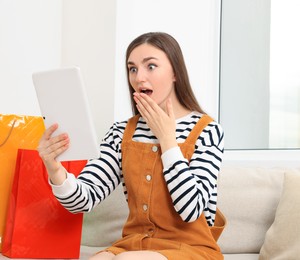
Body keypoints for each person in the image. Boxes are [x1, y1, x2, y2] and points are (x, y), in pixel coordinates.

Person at [37, 32, 225, 260]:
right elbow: (83, 200)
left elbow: (191, 209)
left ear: (175, 72)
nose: (138, 78)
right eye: (132, 69)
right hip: (135, 244)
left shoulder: (208, 130)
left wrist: (167, 140)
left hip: (190, 248)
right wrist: (54, 169)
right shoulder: (120, 132)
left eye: (151, 66)